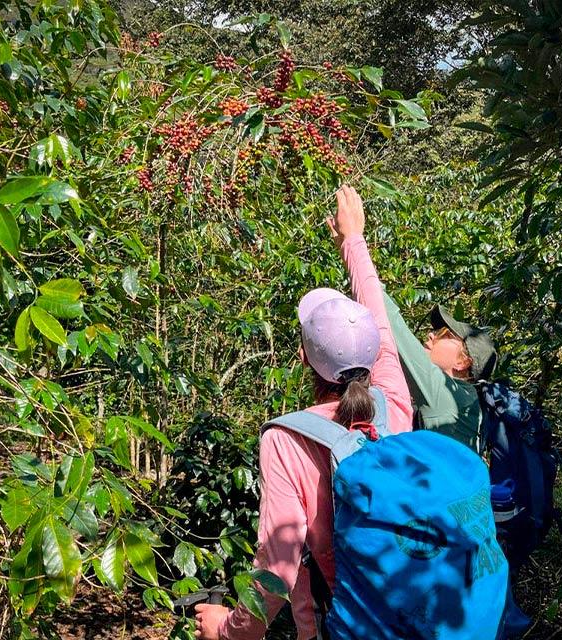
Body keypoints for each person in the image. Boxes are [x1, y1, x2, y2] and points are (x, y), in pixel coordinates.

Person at [194, 185, 414, 640]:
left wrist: (229, 630)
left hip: (349, 622)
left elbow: (277, 569)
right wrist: (354, 240)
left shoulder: (287, 439)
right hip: (417, 610)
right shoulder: (394, 401)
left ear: (302, 356)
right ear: (375, 353)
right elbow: (378, 313)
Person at [384, 295, 498, 452]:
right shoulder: (468, 401)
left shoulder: (450, 395)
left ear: (463, 362)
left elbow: (392, 323)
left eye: (444, 334)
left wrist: (366, 275)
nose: (432, 334)